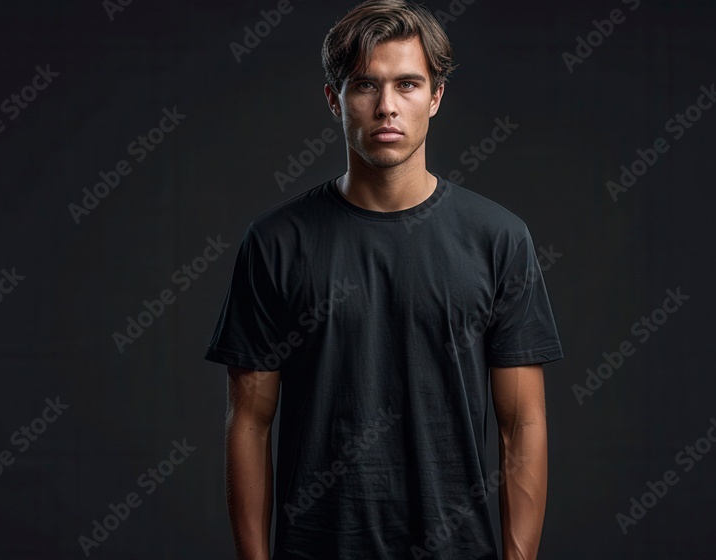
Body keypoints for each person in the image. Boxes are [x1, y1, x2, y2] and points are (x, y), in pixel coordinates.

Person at [204, 1, 563, 558]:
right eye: (366, 85)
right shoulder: (276, 242)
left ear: (436, 97)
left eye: (408, 84)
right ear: (335, 99)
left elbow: (522, 423)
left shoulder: (499, 239)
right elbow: (249, 422)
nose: (387, 106)